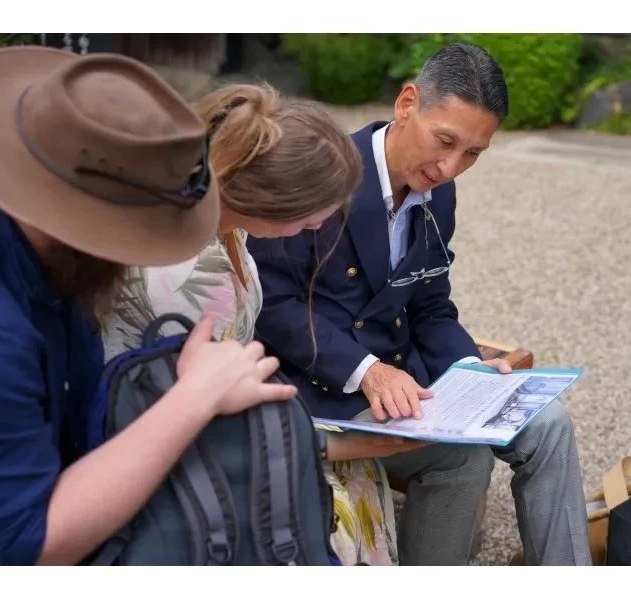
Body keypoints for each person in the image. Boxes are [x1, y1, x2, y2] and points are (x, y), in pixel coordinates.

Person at [247, 42, 592, 565]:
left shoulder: (439, 191)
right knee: (463, 456)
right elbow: (271, 303)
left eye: (473, 153)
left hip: (407, 379)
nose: (451, 167)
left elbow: (431, 304)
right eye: (446, 141)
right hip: (324, 391)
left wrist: (471, 367)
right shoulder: (322, 168)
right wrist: (367, 371)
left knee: (549, 422)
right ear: (407, 103)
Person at [0, 46, 299, 566]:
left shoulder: (55, 266)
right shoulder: (3, 333)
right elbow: (24, 547)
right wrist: (194, 396)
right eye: (147, 232)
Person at [100, 81, 417, 566]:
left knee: (363, 469)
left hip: (200, 415)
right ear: (275, 200)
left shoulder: (217, 221)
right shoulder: (195, 275)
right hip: (164, 451)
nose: (323, 225)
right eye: (317, 216)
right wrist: (342, 443)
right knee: (350, 482)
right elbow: (201, 421)